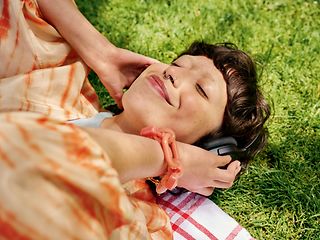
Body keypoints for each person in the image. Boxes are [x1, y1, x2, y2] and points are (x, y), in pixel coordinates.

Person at [0, 0, 270, 239]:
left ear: (210, 149)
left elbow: (47, 154)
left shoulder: (138, 215)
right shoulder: (62, 79)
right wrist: (101, 51)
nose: (172, 75)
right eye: (177, 65)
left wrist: (169, 159)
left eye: (200, 90)